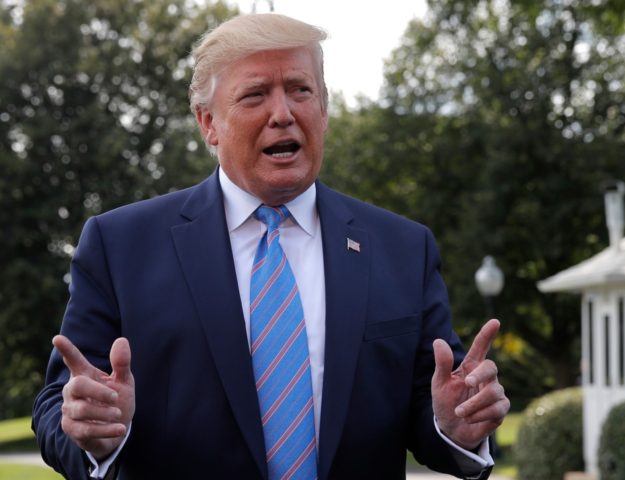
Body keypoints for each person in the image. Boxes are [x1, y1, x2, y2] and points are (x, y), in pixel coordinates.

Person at [32, 13, 510, 480]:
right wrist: (91, 430)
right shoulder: (120, 247)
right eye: (255, 94)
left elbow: (432, 403)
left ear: (323, 109)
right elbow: (58, 404)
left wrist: (456, 427)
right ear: (208, 124)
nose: (283, 114)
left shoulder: (404, 248)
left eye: (301, 90)